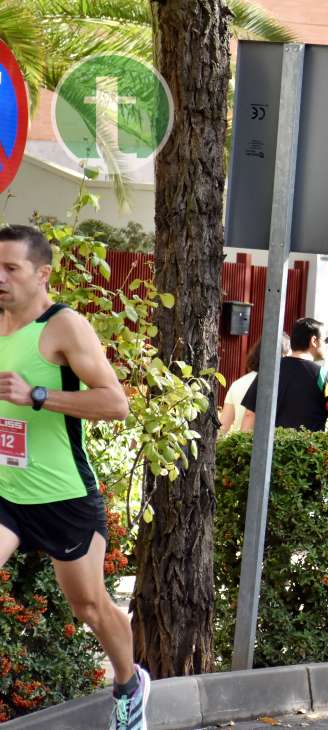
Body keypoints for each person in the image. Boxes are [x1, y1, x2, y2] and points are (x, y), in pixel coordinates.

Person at [0, 225, 149, 729]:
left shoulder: (64, 327)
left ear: (42, 274)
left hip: (63, 495)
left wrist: (37, 396)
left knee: (89, 605)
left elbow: (116, 403)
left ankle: (130, 685)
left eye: (10, 269)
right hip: (6, 493)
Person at [241, 317, 328, 435]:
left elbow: (250, 415)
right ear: (314, 341)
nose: (327, 344)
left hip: (269, 452)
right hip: (307, 452)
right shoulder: (325, 377)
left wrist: (244, 450)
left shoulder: (269, 370)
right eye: (326, 340)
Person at [218, 335, 289, 436]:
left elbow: (223, 426)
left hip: (239, 446)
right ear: (284, 356)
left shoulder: (237, 384)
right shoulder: (279, 384)